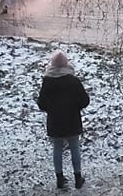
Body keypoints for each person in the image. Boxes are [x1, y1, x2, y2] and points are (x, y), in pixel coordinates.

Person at [37, 51, 90, 191]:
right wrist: (75, 107)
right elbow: (85, 100)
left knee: (57, 149)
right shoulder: (73, 81)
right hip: (72, 120)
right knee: (74, 148)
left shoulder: (47, 81)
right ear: (66, 64)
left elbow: (41, 104)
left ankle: (60, 178)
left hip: (55, 122)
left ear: (52, 65)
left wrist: (52, 110)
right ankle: (78, 178)